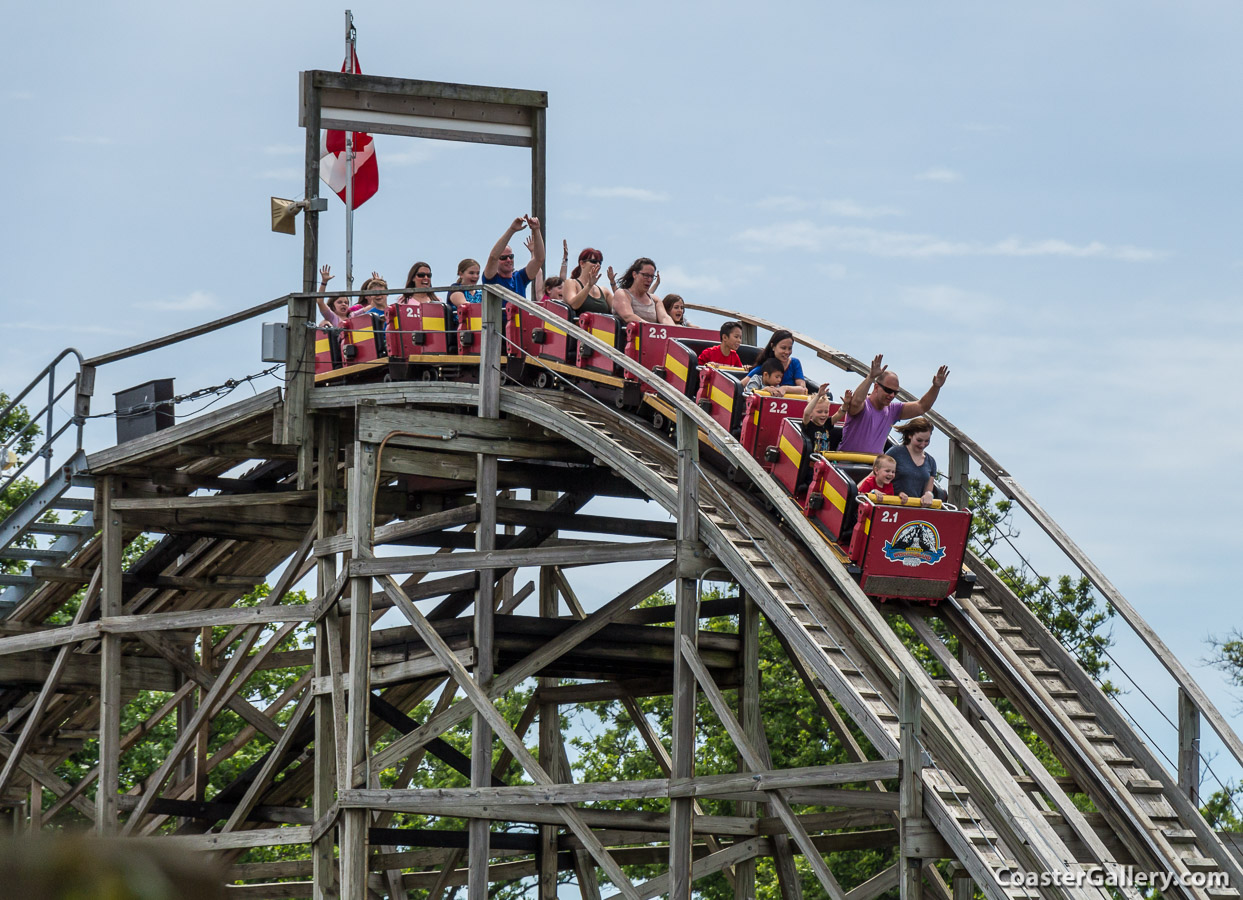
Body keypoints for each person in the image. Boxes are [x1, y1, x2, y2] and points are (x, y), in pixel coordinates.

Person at [838, 354, 950, 454]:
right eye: (888, 390)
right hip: (846, 465)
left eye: (895, 392)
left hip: (872, 468)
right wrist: (871, 377)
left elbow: (922, 406)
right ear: (876, 387)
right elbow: (856, 402)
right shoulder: (863, 406)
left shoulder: (893, 410)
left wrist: (936, 387)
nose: (891, 395)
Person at [484, 215, 544, 302]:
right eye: (503, 258)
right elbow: (493, 257)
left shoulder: (519, 277)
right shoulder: (491, 279)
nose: (508, 260)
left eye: (511, 256)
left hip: (519, 316)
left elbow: (539, 260)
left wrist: (536, 230)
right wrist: (512, 230)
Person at [889, 417, 937, 507]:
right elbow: (876, 475)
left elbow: (928, 490)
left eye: (927, 441)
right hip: (892, 506)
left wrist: (929, 495)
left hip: (914, 510)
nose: (923, 445)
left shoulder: (931, 462)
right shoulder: (895, 452)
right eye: (919, 440)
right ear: (910, 435)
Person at [744, 330, 806, 396]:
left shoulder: (795, 363)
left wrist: (785, 388)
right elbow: (742, 384)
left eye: (789, 348)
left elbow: (803, 389)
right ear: (773, 346)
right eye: (783, 348)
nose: (787, 352)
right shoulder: (767, 366)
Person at [612, 258, 672, 325]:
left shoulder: (655, 300)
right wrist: (651, 328)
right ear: (635, 274)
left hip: (652, 334)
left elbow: (665, 318)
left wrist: (676, 329)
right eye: (646, 275)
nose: (649, 280)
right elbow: (628, 316)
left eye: (652, 277)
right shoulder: (622, 294)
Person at [564, 248, 613, 317]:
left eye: (600, 262)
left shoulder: (604, 291)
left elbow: (618, 310)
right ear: (582, 263)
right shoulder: (571, 283)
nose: (598, 264)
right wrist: (589, 285)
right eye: (594, 261)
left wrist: (613, 283)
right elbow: (574, 305)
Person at [801, 384, 848, 453]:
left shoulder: (827, 424)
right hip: (812, 460)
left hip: (824, 459)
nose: (823, 415)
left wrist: (846, 404)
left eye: (826, 412)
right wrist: (818, 396)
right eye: (819, 412)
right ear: (811, 412)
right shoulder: (808, 425)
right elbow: (806, 413)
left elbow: (840, 413)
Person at [445, 258, 481, 327]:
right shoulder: (455, 288)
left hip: (479, 328)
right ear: (461, 274)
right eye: (471, 273)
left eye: (477, 273)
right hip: (461, 331)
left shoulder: (480, 292)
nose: (475, 276)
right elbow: (465, 306)